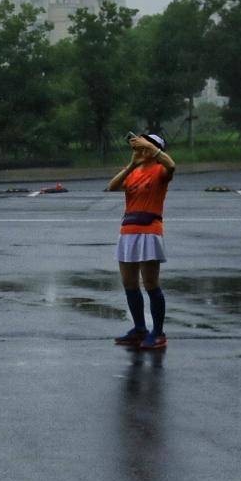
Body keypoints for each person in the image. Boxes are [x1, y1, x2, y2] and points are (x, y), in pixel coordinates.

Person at [107, 132, 177, 351]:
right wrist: (130, 165)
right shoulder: (134, 171)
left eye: (143, 146)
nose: (139, 150)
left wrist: (151, 147)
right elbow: (112, 186)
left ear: (154, 149)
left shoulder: (160, 170)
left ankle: (158, 332)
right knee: (129, 283)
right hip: (128, 230)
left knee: (150, 284)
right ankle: (139, 329)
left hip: (149, 231)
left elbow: (172, 165)